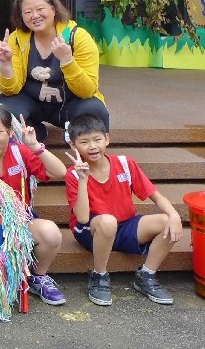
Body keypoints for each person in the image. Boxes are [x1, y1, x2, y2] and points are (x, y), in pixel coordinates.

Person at [65, 114, 181, 307]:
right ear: (73, 146)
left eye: (97, 139)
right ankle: (99, 276)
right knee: (108, 221)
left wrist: (174, 215)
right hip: (92, 229)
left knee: (167, 221)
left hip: (125, 225)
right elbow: (83, 218)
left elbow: (155, 195)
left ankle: (146, 275)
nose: (92, 146)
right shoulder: (74, 174)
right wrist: (83, 178)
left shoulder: (125, 163)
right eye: (84, 142)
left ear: (107, 139)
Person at [0, 103, 68, 306]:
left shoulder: (21, 152)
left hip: (22, 221)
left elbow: (61, 172)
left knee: (51, 233)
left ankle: (37, 278)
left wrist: (35, 147)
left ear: (10, 131)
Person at [0, 0, 108, 142]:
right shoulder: (17, 39)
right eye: (28, 12)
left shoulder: (78, 37)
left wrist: (68, 60)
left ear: (54, 9)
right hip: (33, 103)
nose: (35, 16)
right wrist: (6, 63)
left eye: (40, 9)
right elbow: (10, 90)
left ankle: (85, 150)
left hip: (71, 104)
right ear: (22, 17)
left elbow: (87, 91)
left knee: (95, 110)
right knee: (2, 110)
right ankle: (37, 133)